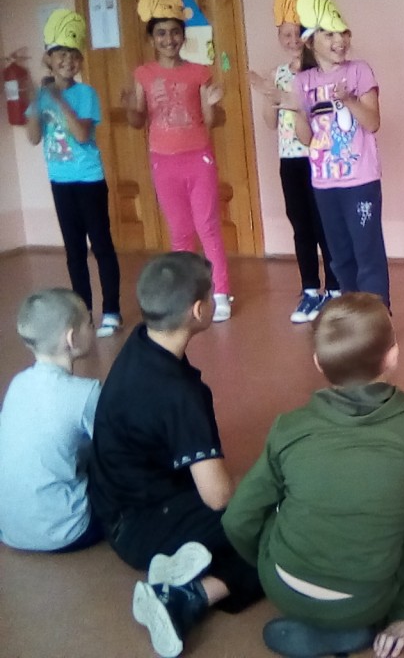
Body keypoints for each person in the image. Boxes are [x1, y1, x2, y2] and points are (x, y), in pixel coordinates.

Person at [223, 293, 404, 658]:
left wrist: (264, 559)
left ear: (318, 363)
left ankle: (315, 616)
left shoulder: (289, 426)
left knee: (277, 510)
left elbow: (237, 519)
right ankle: (350, 626)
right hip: (368, 601)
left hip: (282, 586)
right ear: (392, 355)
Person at [87, 252, 262, 658]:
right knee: (280, 532)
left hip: (115, 509)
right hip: (143, 527)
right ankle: (187, 596)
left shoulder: (139, 344)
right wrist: (260, 488)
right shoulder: (180, 395)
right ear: (198, 310)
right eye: (212, 294)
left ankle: (179, 566)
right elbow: (218, 497)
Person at [122, 0, 233, 322]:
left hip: (198, 157)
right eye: (161, 33)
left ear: (183, 36)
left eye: (174, 32)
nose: (168, 39)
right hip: (163, 161)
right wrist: (129, 107)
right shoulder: (143, 74)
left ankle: (221, 293)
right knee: (181, 231)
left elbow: (212, 120)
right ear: (151, 38)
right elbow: (138, 121)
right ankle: (186, 295)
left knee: (208, 226)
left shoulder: (199, 72)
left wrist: (213, 105)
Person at [285, 0, 390, 308]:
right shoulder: (302, 82)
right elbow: (306, 139)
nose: (339, 40)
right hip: (324, 183)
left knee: (367, 253)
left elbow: (372, 122)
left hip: (360, 181)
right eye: (329, 34)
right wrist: (295, 110)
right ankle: (352, 315)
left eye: (342, 33)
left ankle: (377, 317)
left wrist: (349, 100)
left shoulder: (359, 72)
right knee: (339, 256)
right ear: (310, 40)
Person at [24, 8, 122, 337]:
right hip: (61, 182)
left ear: (80, 61)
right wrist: (37, 100)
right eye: (61, 54)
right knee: (74, 251)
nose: (68, 61)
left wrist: (60, 101)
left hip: (89, 180)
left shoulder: (86, 94)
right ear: (49, 60)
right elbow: (33, 137)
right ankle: (83, 312)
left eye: (74, 55)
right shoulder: (42, 95)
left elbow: (81, 134)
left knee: (102, 245)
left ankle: (112, 311)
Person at [249, 0, 339, 324]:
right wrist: (268, 94)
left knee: (325, 224)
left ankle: (335, 288)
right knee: (301, 226)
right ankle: (310, 290)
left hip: (320, 158)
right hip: (290, 161)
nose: (292, 40)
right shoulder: (279, 74)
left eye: (297, 33)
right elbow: (270, 123)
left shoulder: (319, 71)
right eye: (286, 34)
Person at [0, 288, 104, 552]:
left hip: (10, 531)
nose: (93, 327)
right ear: (72, 338)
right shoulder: (86, 393)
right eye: (89, 323)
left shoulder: (17, 383)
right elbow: (117, 447)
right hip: (68, 531)